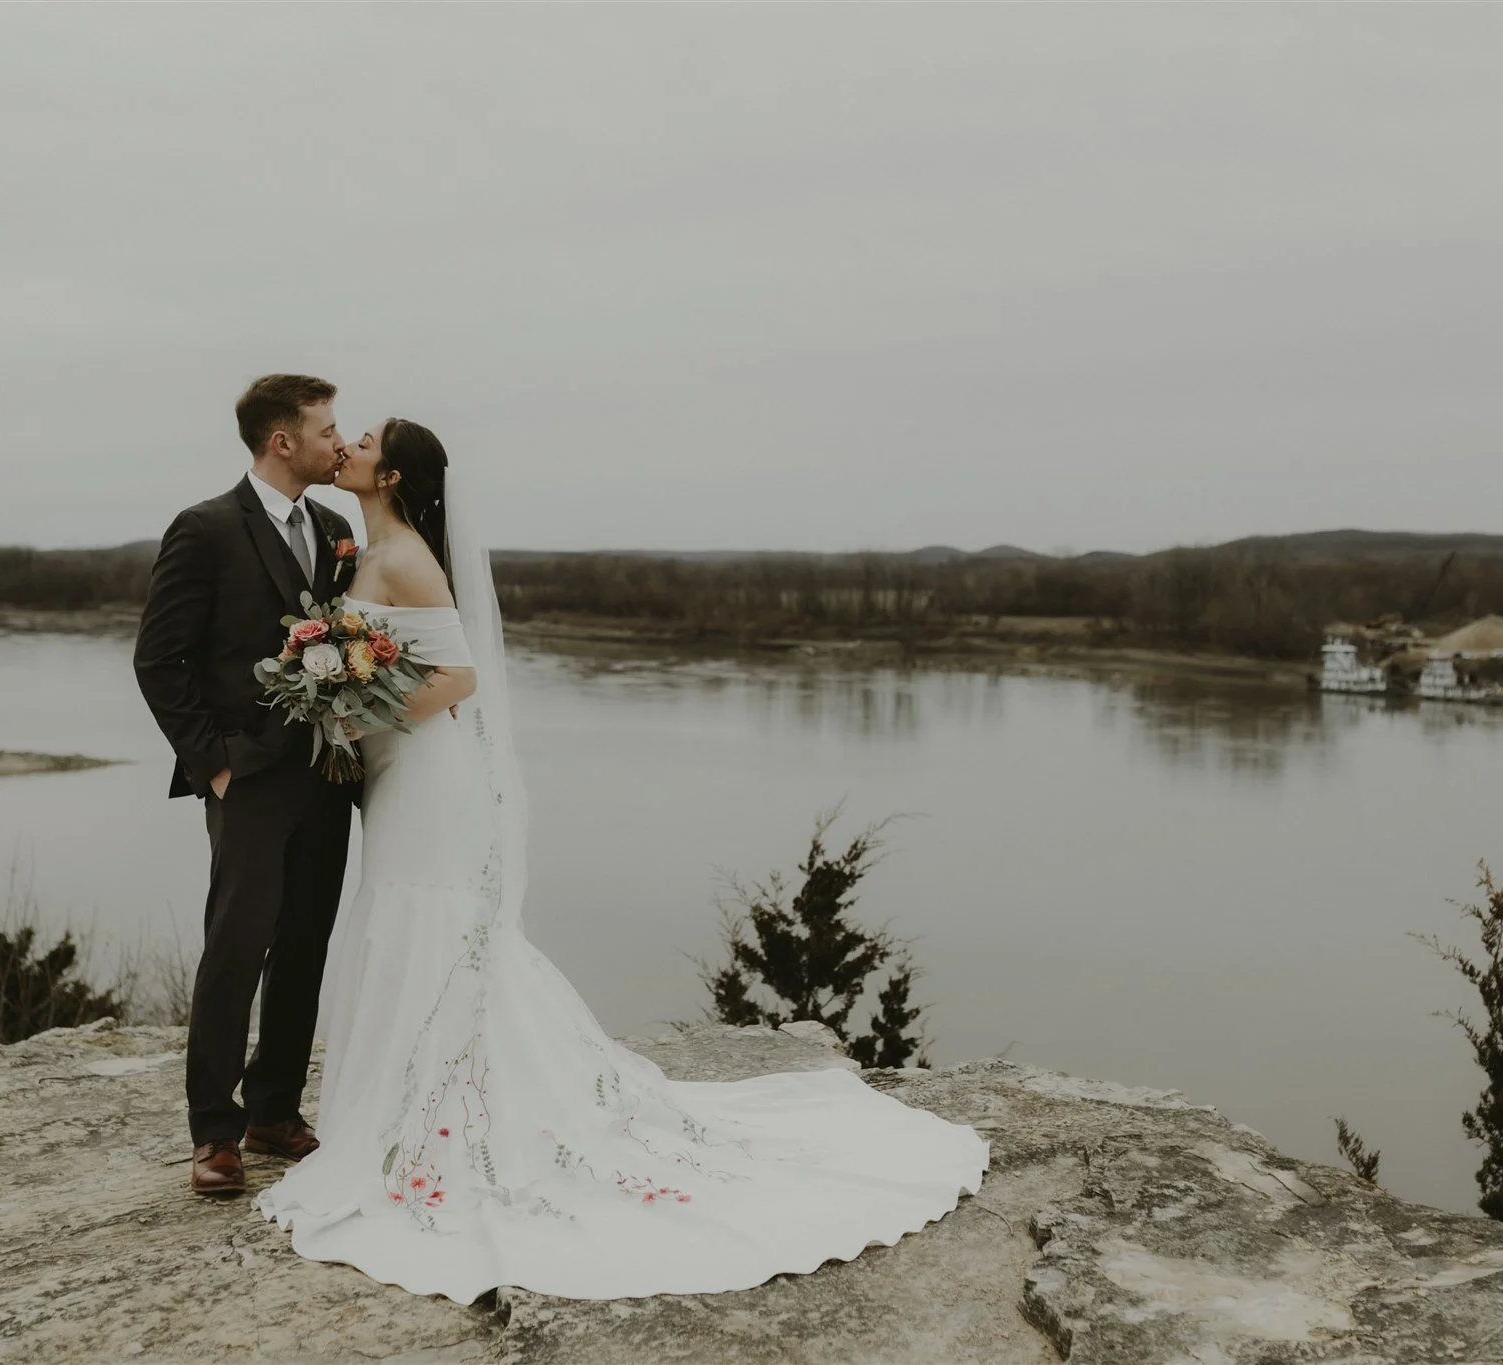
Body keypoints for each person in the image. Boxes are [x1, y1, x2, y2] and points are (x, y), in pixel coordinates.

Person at [253, 417, 989, 1301]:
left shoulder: (407, 555)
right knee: (406, 919)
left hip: (429, 777)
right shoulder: (359, 549)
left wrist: (353, 711)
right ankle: (402, 1106)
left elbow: (457, 678)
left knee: (437, 923)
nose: (349, 443)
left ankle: (447, 1118)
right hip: (395, 775)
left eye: (363, 439)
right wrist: (336, 683)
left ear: (393, 473)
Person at [133, 374, 360, 1195]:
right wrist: (215, 762)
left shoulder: (336, 527)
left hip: (327, 775)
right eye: (328, 428)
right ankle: (213, 1132)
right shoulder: (204, 529)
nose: (340, 441)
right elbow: (159, 659)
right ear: (281, 441)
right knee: (237, 945)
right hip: (248, 779)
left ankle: (274, 1109)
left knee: (306, 941)